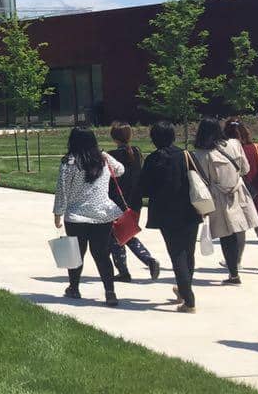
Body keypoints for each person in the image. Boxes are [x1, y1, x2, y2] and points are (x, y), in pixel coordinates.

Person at [53, 126, 124, 306]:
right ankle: (110, 292)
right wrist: (105, 156)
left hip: (76, 215)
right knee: (102, 254)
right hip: (102, 214)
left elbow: (62, 189)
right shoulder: (103, 159)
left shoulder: (69, 162)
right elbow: (120, 170)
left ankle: (74, 288)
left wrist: (58, 212)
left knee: (76, 253)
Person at [138, 120, 202, 312]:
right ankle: (184, 290)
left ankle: (188, 299)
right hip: (190, 209)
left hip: (165, 212)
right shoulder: (186, 155)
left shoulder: (153, 160)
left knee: (177, 254)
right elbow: (201, 178)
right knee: (188, 252)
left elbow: (144, 188)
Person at [189, 117, 258, 285]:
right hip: (238, 192)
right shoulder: (234, 144)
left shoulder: (200, 154)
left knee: (226, 236)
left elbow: (202, 180)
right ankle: (234, 271)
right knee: (238, 231)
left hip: (219, 197)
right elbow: (245, 169)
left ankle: (234, 274)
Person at [107, 122, 160, 281]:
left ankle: (130, 268)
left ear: (114, 137)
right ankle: (144, 261)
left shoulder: (111, 155)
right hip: (135, 201)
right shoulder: (136, 152)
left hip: (117, 201)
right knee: (126, 233)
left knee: (117, 237)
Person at [224, 119, 258, 274]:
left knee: (239, 231)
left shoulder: (230, 150)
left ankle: (237, 261)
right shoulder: (257, 148)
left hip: (240, 193)